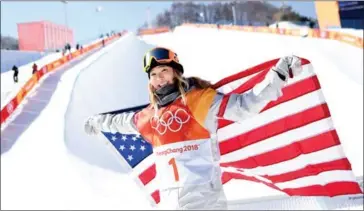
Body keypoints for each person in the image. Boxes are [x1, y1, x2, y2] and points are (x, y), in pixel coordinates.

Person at [84, 47, 303, 210]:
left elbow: (245, 106)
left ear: (176, 73)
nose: (159, 79)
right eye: (153, 75)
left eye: (163, 71)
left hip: (201, 198)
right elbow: (122, 122)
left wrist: (278, 76)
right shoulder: (150, 116)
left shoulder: (198, 100)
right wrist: (98, 122)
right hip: (170, 202)